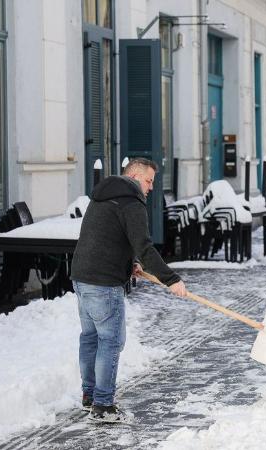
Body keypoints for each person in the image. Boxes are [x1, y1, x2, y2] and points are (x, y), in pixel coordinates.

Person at [71, 158, 187, 423]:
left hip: (81, 277)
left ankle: (90, 396)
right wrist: (171, 279)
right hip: (103, 282)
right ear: (135, 175)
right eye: (149, 181)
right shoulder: (131, 202)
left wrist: (130, 262)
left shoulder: (102, 195)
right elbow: (144, 246)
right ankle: (103, 406)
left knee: (91, 338)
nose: (150, 188)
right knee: (110, 341)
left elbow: (107, 236)